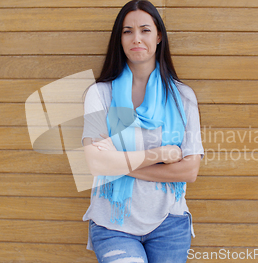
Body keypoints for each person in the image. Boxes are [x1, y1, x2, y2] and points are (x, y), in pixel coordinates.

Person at [81, 0, 204, 262]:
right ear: (120, 39)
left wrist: (118, 164)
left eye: (145, 30)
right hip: (112, 223)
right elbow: (95, 162)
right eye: (127, 31)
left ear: (159, 36)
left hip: (169, 222)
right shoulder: (99, 94)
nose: (136, 38)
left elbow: (189, 170)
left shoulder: (183, 97)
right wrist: (161, 153)